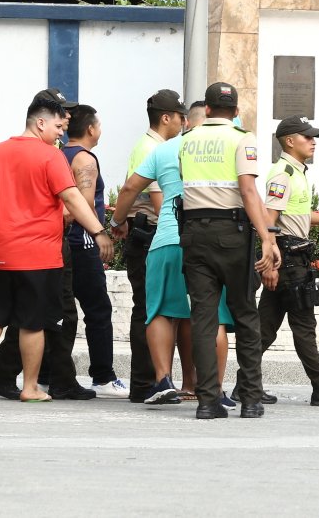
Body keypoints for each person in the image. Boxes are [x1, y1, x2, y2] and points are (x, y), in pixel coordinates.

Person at [0, 97, 114, 402]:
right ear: (40, 123)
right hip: (36, 253)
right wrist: (99, 231)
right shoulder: (50, 157)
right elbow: (73, 199)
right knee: (33, 321)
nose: (62, 133)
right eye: (59, 126)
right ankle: (31, 387)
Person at [112, 101, 235, 407]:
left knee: (160, 312)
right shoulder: (225, 148)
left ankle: (163, 381)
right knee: (213, 316)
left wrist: (116, 222)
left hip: (166, 237)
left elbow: (129, 188)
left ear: (186, 122)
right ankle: (215, 388)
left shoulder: (164, 150)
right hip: (208, 240)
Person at [178, 82, 279, 419]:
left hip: (193, 234)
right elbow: (248, 190)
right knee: (246, 315)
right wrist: (266, 237)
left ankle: (207, 401)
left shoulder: (187, 140)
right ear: (235, 112)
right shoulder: (241, 138)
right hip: (233, 234)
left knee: (203, 320)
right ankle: (251, 400)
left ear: (206, 109)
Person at [257, 116, 319, 407]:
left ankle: (244, 382)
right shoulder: (282, 173)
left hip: (291, 254)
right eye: (307, 137)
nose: (313, 142)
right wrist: (272, 262)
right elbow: (270, 220)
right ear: (289, 141)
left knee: (265, 326)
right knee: (303, 324)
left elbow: (299, 214)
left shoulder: (297, 172)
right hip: (287, 257)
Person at [114, 89, 188, 403]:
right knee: (150, 309)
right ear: (166, 117)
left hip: (154, 235)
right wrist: (117, 221)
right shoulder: (152, 147)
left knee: (160, 309)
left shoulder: (156, 146)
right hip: (151, 236)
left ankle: (158, 381)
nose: (185, 121)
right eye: (181, 115)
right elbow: (160, 202)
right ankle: (146, 383)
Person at [61, 104, 127, 398]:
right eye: (98, 124)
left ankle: (52, 372)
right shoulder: (85, 159)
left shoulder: (57, 154)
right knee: (98, 311)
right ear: (91, 129)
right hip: (82, 241)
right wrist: (98, 233)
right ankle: (103, 376)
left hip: (60, 243)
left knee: (61, 310)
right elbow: (84, 203)